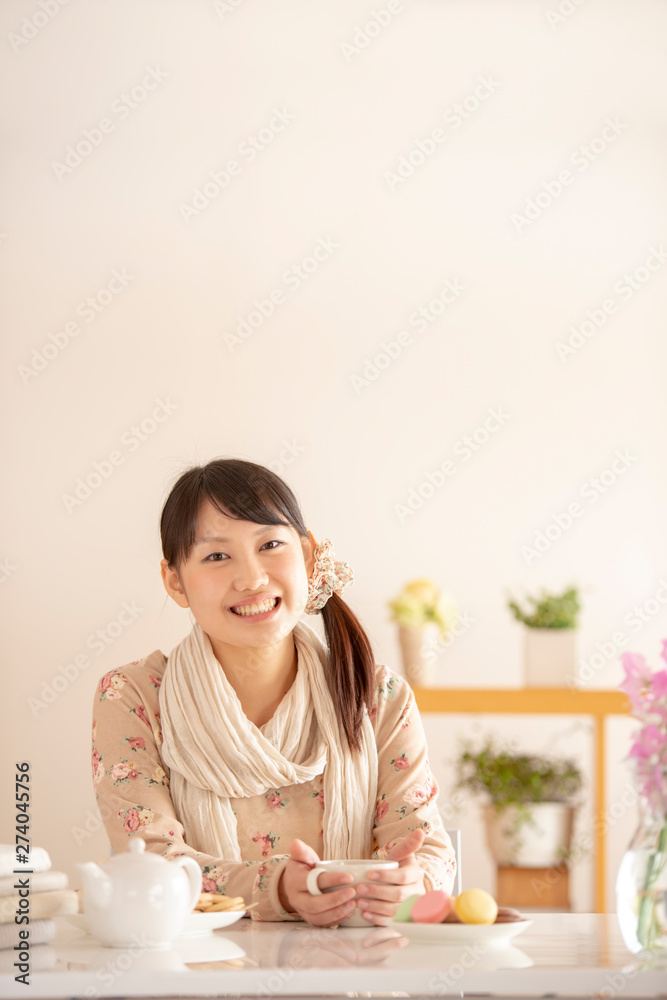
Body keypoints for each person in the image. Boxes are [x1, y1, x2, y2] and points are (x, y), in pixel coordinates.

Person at [91, 458, 456, 926]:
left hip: (359, 961)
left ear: (308, 555)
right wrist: (277, 888)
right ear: (174, 581)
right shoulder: (134, 697)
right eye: (216, 556)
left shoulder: (377, 696)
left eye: (269, 545)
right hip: (193, 966)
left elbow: (427, 852)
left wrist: (409, 883)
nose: (252, 578)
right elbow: (149, 865)